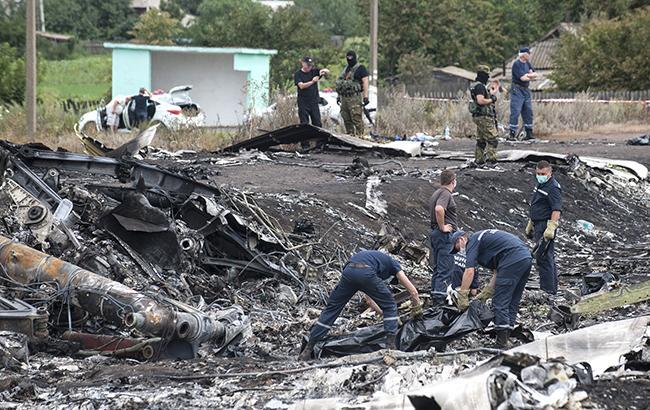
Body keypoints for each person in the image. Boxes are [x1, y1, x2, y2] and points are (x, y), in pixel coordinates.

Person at [298, 250, 421, 360]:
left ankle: (308, 349)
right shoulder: (394, 265)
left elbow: (369, 301)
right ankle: (391, 349)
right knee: (390, 305)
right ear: (391, 275)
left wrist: (387, 317)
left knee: (332, 309)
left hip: (349, 271)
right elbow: (413, 292)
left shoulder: (374, 260)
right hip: (365, 271)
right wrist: (416, 309)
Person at [450, 229, 533, 348]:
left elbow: (469, 271)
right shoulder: (485, 240)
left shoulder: (472, 242)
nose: (459, 251)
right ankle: (506, 337)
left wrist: (462, 294)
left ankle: (501, 343)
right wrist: (486, 292)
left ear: (461, 239)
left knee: (500, 302)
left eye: (457, 248)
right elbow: (497, 272)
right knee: (512, 300)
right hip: (525, 258)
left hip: (512, 258)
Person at [525, 160, 562, 295]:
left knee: (544, 258)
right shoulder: (541, 184)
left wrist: (551, 227)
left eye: (543, 173)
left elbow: (556, 209)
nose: (540, 175)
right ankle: (551, 288)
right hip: (538, 223)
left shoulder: (553, 188)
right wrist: (531, 222)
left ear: (550, 173)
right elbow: (537, 203)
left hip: (545, 225)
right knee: (545, 257)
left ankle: (548, 291)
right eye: (538, 173)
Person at [429, 169, 458, 304]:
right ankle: (440, 302)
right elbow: (439, 209)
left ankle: (435, 297)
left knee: (438, 268)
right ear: (453, 181)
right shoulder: (445, 194)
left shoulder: (436, 193)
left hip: (436, 234)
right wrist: (443, 227)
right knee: (445, 269)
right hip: (443, 235)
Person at [469, 65, 499, 165]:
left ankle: (479, 159)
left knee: (481, 140)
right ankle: (492, 160)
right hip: (484, 116)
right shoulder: (480, 86)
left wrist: (492, 92)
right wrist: (492, 100)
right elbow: (480, 100)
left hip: (479, 116)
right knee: (492, 139)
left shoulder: (476, 85)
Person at [335, 50, 369, 136]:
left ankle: (361, 137)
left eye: (351, 57)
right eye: (348, 57)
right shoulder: (345, 69)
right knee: (346, 118)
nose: (349, 59)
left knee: (356, 118)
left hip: (354, 97)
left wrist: (366, 97)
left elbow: (365, 82)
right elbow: (342, 83)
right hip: (344, 98)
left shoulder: (361, 68)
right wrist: (339, 96)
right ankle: (350, 137)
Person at [509, 47, 537, 141]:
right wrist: (530, 76)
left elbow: (535, 74)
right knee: (516, 111)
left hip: (526, 89)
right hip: (517, 89)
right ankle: (512, 133)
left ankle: (529, 132)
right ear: (524, 54)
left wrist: (528, 75)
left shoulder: (527, 63)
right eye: (528, 53)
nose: (529, 55)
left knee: (528, 111)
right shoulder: (517, 64)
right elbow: (522, 78)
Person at [294, 57, 330, 128]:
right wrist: (312, 81)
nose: (309, 67)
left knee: (317, 123)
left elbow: (326, 71)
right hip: (303, 102)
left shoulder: (314, 71)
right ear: (303, 64)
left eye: (310, 65)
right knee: (304, 124)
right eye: (307, 65)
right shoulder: (298, 74)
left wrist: (323, 71)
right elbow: (301, 86)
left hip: (314, 101)